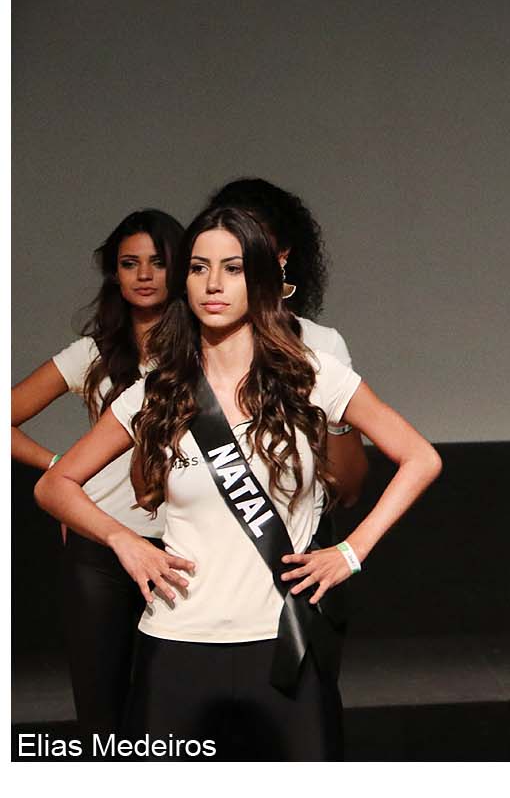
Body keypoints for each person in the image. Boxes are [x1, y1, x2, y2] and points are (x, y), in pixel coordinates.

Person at [34, 207, 442, 759]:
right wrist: (122, 540)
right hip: (176, 642)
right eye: (199, 268)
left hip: (282, 644)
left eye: (233, 268)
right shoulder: (157, 392)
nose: (214, 284)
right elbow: (54, 486)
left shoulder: (310, 374)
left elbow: (420, 458)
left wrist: (350, 552)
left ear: (262, 279)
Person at [11, 209, 183, 739]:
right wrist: (60, 467)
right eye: (130, 263)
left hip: (184, 545)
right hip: (102, 545)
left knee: (175, 711)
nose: (145, 274)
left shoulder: (205, 351)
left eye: (158, 262)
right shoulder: (93, 354)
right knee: (102, 711)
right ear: (114, 273)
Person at [204, 177, 368, 505]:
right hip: (197, 548)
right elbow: (146, 487)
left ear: (282, 256)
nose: (240, 260)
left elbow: (348, 490)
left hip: (298, 546)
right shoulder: (183, 349)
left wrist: (335, 421)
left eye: (254, 245)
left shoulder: (319, 348)